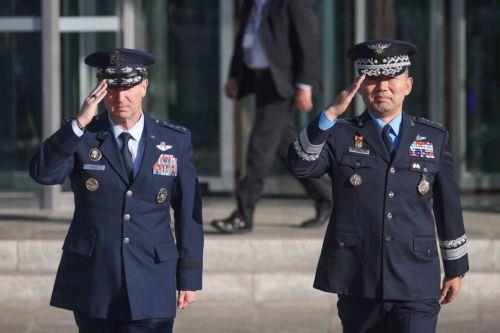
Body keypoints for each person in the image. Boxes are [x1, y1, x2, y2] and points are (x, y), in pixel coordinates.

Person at [287, 39, 469, 332]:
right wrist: (330, 115)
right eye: (372, 79)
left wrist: (456, 268)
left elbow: (449, 207)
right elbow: (300, 165)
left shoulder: (433, 137)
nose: (382, 87)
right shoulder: (340, 134)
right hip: (358, 278)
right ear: (360, 87)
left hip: (416, 278)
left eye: (391, 78)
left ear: (407, 84)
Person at [30, 48, 203, 333]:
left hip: (152, 277)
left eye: (129, 88)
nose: (120, 98)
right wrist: (78, 124)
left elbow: (189, 213)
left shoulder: (175, 141)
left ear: (144, 86)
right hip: (95, 280)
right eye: (111, 89)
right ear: (100, 90)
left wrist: (189, 277)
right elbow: (44, 174)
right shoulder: (82, 136)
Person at [211, 0, 332, 233]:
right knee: (287, 148)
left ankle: (243, 213)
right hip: (260, 79)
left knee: (259, 147)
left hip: (282, 84)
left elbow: (307, 41)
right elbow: (244, 38)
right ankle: (326, 197)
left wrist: (304, 84)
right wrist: (235, 76)